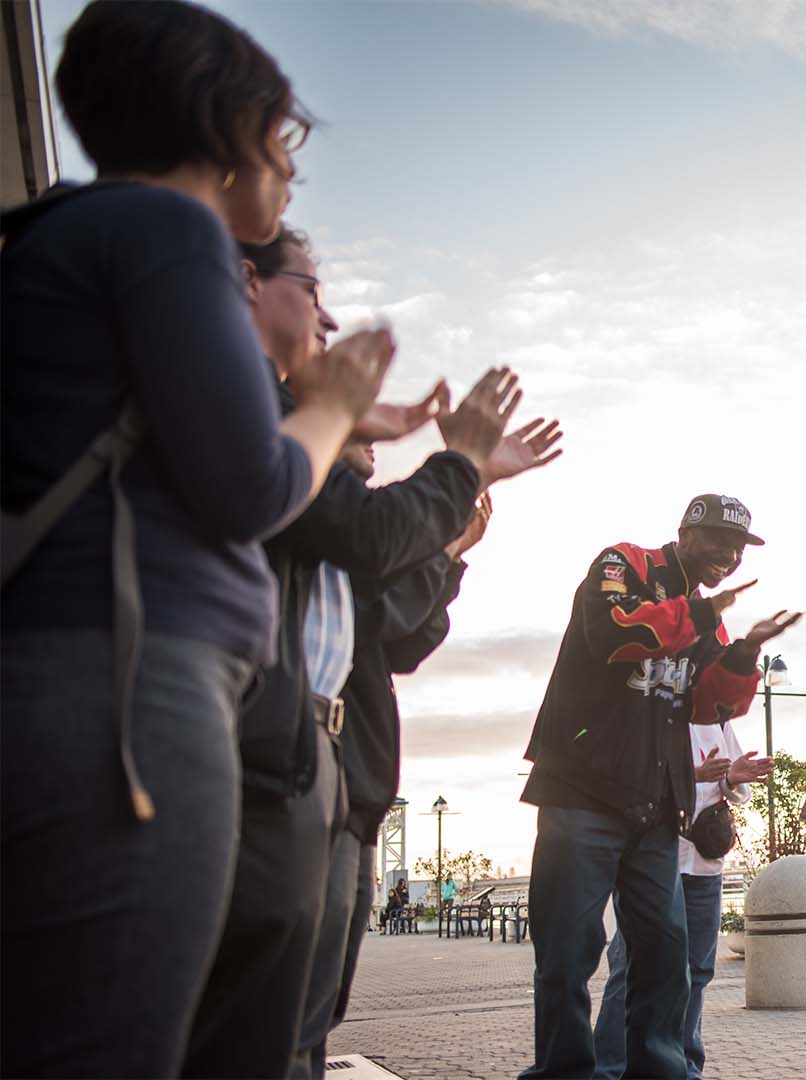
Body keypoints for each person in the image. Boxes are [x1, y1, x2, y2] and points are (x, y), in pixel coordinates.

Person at [0, 3, 391, 1075]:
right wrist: (332, 404)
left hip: (78, 672)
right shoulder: (172, 233)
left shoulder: (66, 234)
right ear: (224, 124)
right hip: (135, 688)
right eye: (284, 132)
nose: (290, 165)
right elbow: (250, 485)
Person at [184, 224, 562, 1078]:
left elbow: (396, 634)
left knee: (305, 1015)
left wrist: (449, 546)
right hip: (260, 758)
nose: (328, 320)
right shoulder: (249, 418)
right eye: (313, 292)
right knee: (255, 1023)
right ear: (248, 282)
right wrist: (460, 460)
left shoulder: (296, 448)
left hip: (328, 773)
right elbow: (376, 535)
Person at [519, 495, 800, 1080]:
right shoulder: (624, 565)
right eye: (718, 540)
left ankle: (660, 1072)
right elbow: (615, 637)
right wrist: (702, 616)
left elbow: (710, 706)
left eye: (738, 547)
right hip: (580, 791)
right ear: (685, 533)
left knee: (666, 955)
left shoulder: (708, 617)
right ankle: (565, 1073)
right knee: (567, 956)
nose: (728, 555)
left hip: (654, 806)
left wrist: (745, 649)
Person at [321, 482, 494, 1061]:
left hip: (358, 789)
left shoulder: (352, 552)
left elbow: (405, 642)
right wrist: (443, 554)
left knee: (322, 999)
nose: (373, 453)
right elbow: (380, 618)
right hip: (312, 776)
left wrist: (450, 564)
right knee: (288, 1001)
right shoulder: (323, 522)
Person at [592, 720, 770, 1079]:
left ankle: (685, 1067)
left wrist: (732, 779)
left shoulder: (717, 718)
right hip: (650, 864)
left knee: (697, 971)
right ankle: (609, 1070)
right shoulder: (646, 711)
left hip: (704, 864)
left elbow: (737, 791)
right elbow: (626, 781)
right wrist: (694, 775)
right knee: (629, 967)